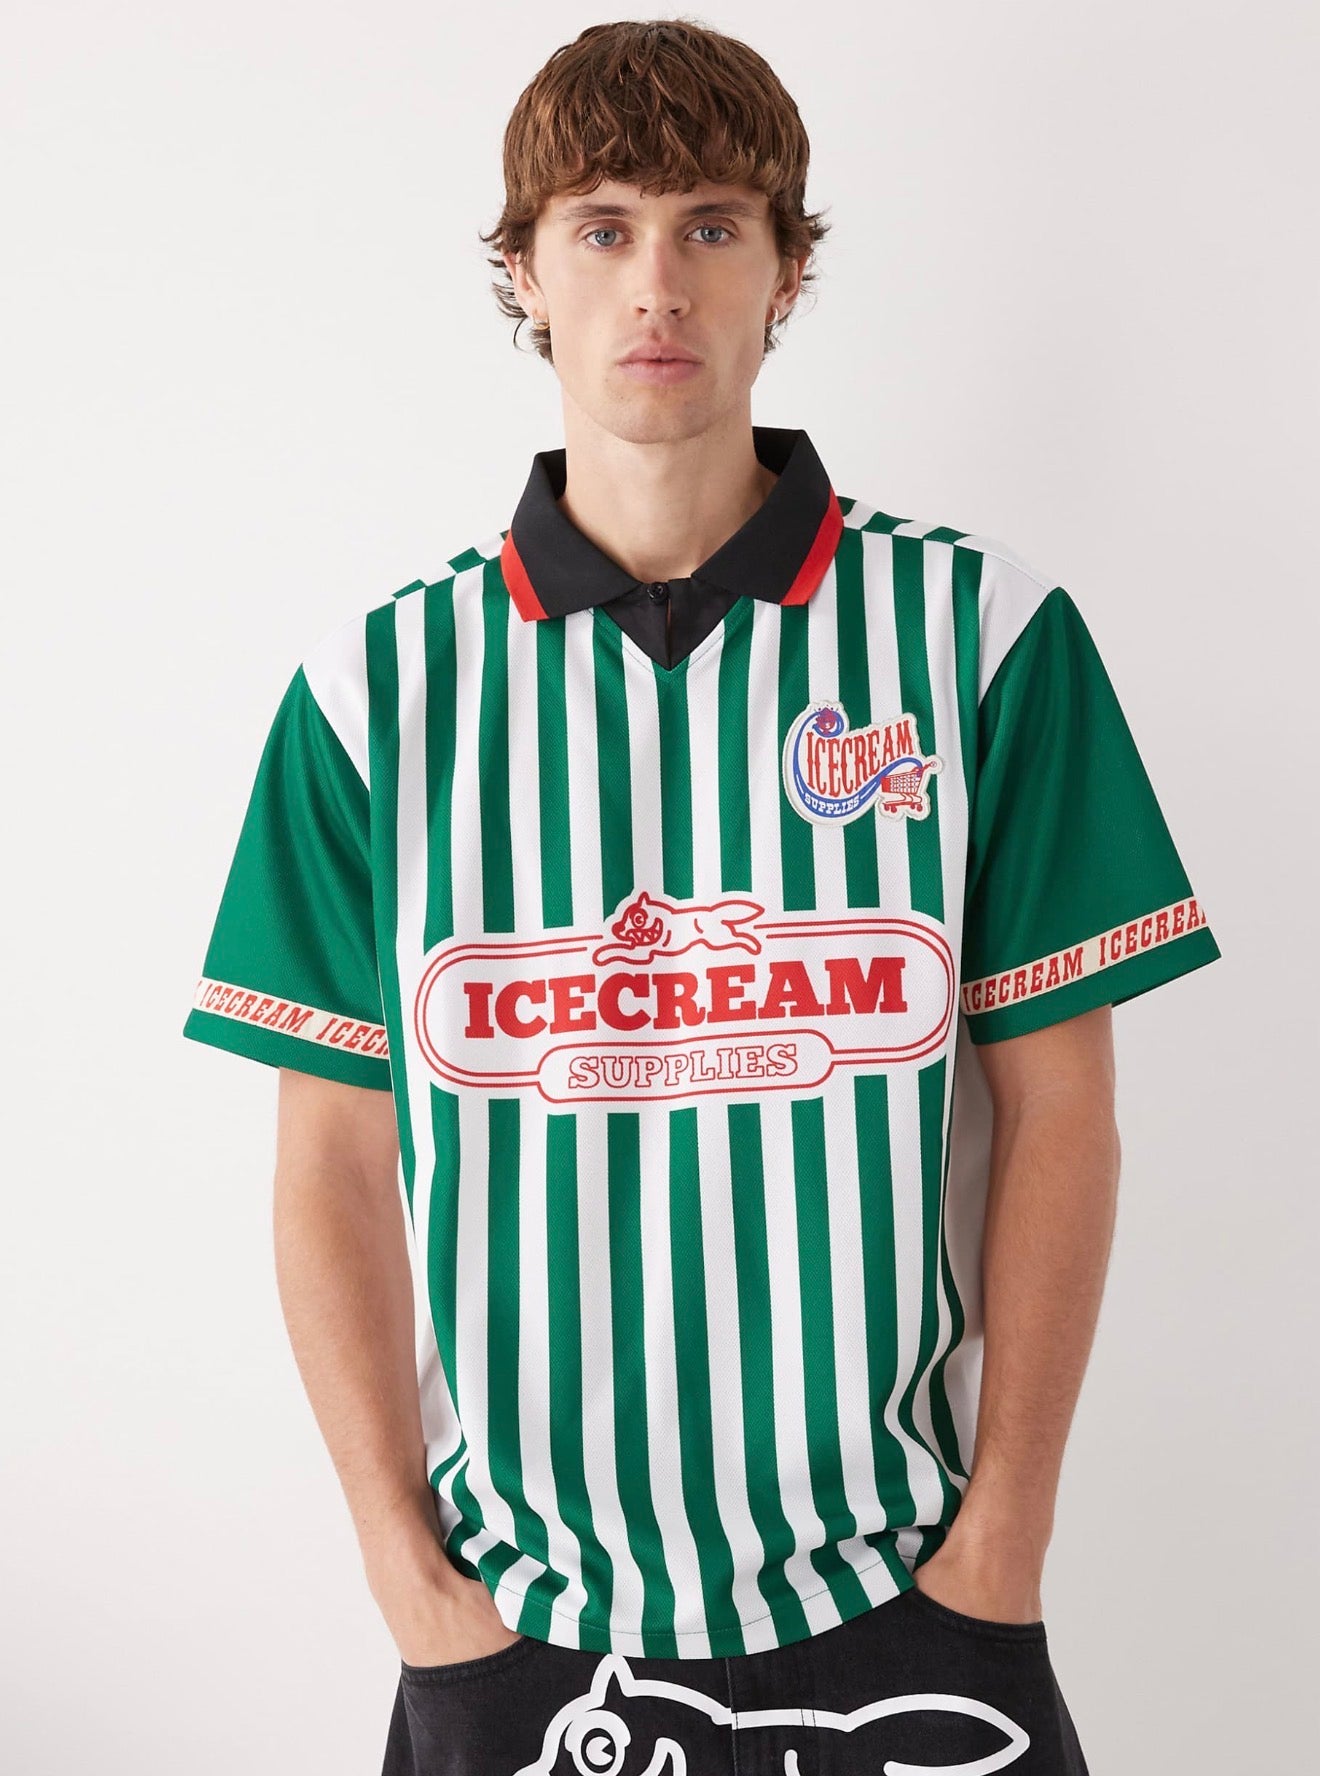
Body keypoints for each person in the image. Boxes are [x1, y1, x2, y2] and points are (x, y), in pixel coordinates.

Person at [181, 19, 1221, 1774]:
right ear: (525, 271)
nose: (656, 283)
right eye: (602, 228)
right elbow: (334, 1161)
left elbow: (1063, 1113)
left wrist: (1002, 1551)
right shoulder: (376, 692)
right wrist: (412, 1586)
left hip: (907, 1588)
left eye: (711, 226)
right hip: (518, 1621)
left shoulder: (980, 638)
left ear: (787, 269)